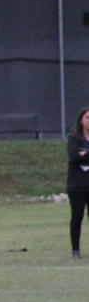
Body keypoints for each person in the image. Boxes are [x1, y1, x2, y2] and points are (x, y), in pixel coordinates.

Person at [67, 106, 89, 260]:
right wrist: (82, 154)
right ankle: (75, 250)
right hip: (77, 186)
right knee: (77, 217)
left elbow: (81, 156)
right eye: (87, 117)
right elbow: (74, 157)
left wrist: (85, 154)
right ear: (81, 120)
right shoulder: (74, 138)